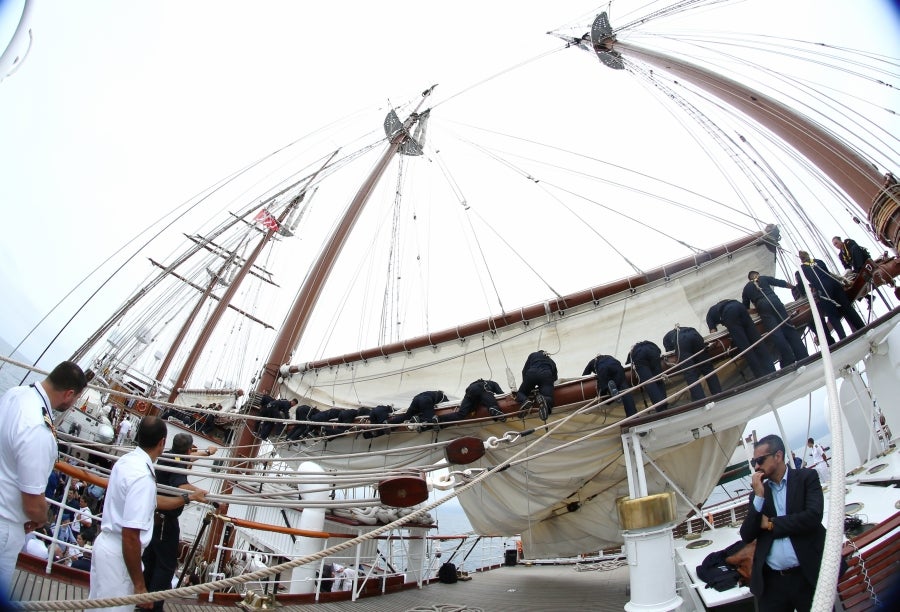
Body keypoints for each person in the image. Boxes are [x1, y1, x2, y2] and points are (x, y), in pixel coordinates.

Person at [90, 416, 205, 612]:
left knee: (97, 606)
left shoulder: (126, 461)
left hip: (106, 546)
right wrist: (140, 586)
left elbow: (153, 501)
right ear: (162, 442)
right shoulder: (143, 476)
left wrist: (187, 498)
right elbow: (131, 536)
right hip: (121, 555)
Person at [0, 361, 87, 594]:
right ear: (69, 394)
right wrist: (41, 519)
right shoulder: (39, 430)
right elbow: (32, 501)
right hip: (5, 525)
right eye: (76, 398)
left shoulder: (15, 394)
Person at [739, 434, 825, 612]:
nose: (756, 466)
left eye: (760, 460)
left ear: (778, 456)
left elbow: (813, 517)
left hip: (807, 575)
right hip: (772, 582)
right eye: (754, 461)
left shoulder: (806, 478)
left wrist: (772, 525)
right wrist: (759, 497)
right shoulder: (758, 494)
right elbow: (747, 535)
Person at [142, 433, 213, 612]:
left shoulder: (169, 455)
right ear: (188, 448)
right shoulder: (177, 462)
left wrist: (207, 453)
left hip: (154, 519)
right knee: (165, 566)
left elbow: (187, 459)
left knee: (150, 561)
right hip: (166, 522)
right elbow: (180, 486)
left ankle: (143, 602)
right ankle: (154, 607)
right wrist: (202, 493)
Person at [741, 271, 809, 367]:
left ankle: (788, 359)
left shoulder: (746, 289)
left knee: (776, 334)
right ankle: (803, 356)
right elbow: (781, 283)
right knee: (789, 329)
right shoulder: (763, 278)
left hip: (762, 306)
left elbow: (746, 309)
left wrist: (756, 310)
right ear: (757, 275)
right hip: (775, 301)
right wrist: (794, 288)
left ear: (749, 279)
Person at [799, 250, 865, 336]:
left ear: (801, 259)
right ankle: (863, 327)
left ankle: (843, 338)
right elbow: (828, 273)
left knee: (833, 316)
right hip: (834, 284)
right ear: (808, 255)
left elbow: (806, 284)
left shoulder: (803, 269)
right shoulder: (818, 261)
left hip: (823, 290)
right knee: (847, 308)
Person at [706, 299, 775, 379]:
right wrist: (757, 311)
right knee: (758, 343)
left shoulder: (709, 316)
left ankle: (760, 376)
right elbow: (748, 311)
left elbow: (713, 333)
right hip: (739, 305)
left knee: (746, 349)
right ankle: (772, 370)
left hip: (728, 313)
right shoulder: (723, 304)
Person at [661, 327, 722, 402]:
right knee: (707, 367)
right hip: (695, 334)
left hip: (681, 340)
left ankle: (700, 400)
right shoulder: (682, 330)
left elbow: (672, 354)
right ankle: (718, 393)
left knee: (690, 373)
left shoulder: (666, 339)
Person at [515, 350, 558, 418]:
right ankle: (544, 399)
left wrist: (528, 387)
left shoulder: (533, 355)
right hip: (546, 376)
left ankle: (525, 401)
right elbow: (555, 378)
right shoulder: (552, 361)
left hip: (531, 374)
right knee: (548, 397)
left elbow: (524, 371)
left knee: (520, 393)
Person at [626, 341, 668, 411]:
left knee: (649, 383)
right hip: (653, 350)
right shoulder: (650, 344)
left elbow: (628, 361)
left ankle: (660, 407)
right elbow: (659, 351)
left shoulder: (635, 350)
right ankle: (664, 403)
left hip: (640, 355)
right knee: (659, 379)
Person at [441, 379, 506, 423]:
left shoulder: (474, 385)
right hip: (482, 388)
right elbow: (502, 396)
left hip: (470, 391)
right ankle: (495, 411)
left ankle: (438, 419)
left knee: (461, 414)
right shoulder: (492, 384)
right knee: (492, 405)